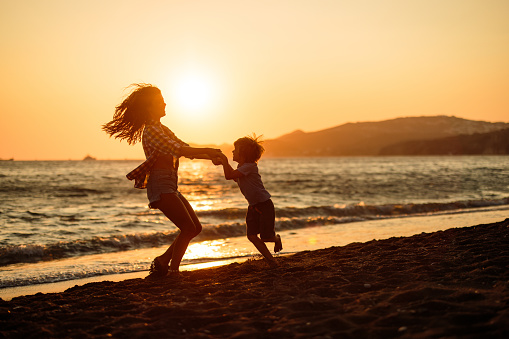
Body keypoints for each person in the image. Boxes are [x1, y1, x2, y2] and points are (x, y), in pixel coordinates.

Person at [102, 83, 223, 279]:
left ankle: (162, 261)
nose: (165, 104)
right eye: (160, 102)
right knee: (188, 228)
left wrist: (210, 156)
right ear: (150, 107)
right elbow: (180, 150)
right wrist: (210, 151)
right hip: (160, 184)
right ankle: (174, 271)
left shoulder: (162, 128)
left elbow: (184, 147)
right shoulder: (152, 131)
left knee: (195, 228)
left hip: (170, 184)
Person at [217, 135, 282, 267]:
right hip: (253, 206)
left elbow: (229, 175)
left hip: (264, 205)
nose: (233, 151)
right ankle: (271, 261)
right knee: (251, 236)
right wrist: (223, 162)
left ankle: (277, 239)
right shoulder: (242, 168)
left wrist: (224, 161)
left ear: (243, 153)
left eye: (235, 150)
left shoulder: (250, 166)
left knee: (266, 237)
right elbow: (231, 176)